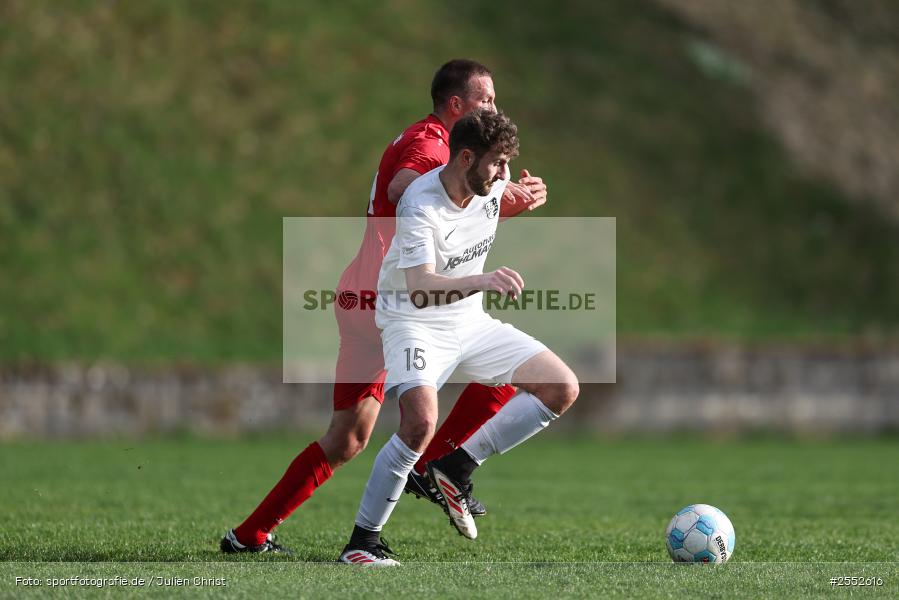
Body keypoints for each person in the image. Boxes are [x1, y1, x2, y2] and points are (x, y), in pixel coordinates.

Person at [220, 59, 548, 553]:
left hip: (360, 295)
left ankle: (250, 533)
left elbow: (452, 203)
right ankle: (439, 470)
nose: (494, 108)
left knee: (347, 438)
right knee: (500, 372)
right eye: (486, 100)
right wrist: (492, 196)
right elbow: (407, 190)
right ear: (455, 105)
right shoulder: (433, 143)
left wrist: (504, 197)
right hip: (394, 304)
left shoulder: (438, 142)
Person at [337, 109, 579, 566]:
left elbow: (507, 194)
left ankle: (455, 467)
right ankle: (361, 543)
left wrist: (528, 195)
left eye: (508, 165)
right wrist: (484, 281)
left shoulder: (486, 183)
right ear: (466, 158)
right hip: (413, 320)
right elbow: (420, 288)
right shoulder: (419, 204)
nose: (504, 176)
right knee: (419, 425)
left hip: (469, 320)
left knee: (561, 387)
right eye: (497, 165)